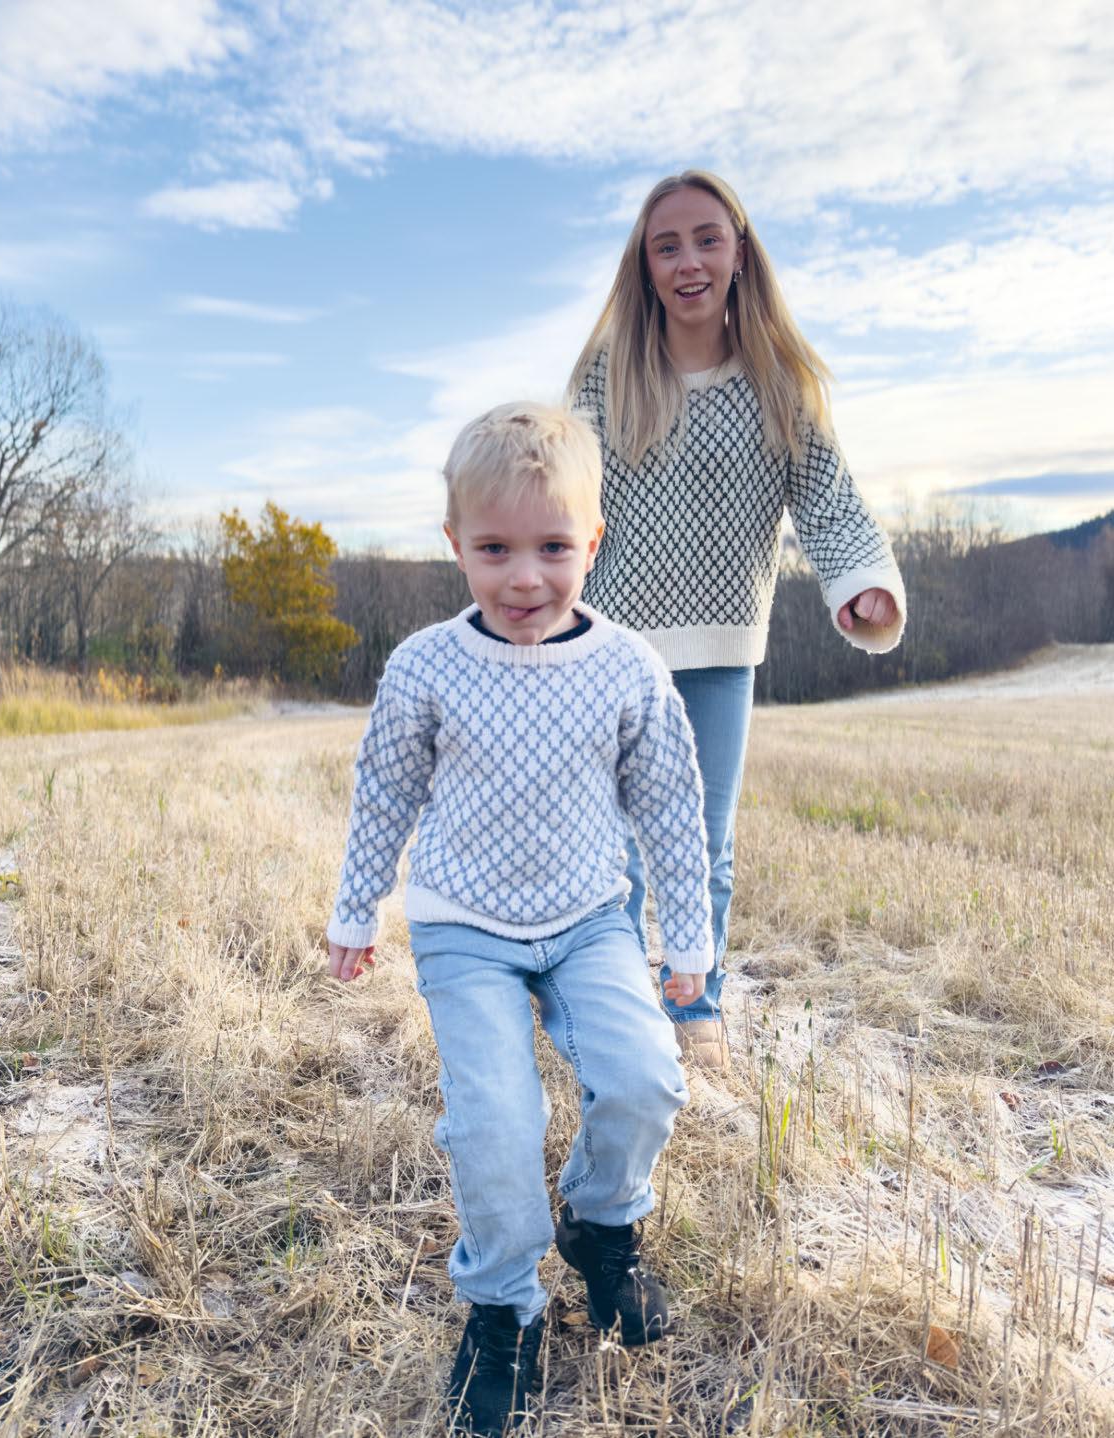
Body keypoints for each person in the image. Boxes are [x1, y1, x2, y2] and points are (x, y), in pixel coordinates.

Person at [327, 402, 714, 1437]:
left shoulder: (627, 668)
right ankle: (503, 1304)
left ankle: (602, 1224)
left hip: (588, 920)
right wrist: (357, 908)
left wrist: (687, 938)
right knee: (495, 1123)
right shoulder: (425, 666)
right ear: (455, 543)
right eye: (495, 549)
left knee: (645, 1078)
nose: (525, 578)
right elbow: (384, 793)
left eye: (553, 547)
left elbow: (671, 808)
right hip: (464, 927)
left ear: (593, 541)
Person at [568, 170, 906, 1070]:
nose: (688, 261)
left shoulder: (778, 382)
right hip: (613, 647)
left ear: (740, 252)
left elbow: (827, 497)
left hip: (722, 647)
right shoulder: (607, 374)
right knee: (612, 846)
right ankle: (609, 1010)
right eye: (666, 246)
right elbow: (562, 490)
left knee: (702, 844)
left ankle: (696, 1007)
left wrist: (861, 582)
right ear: (645, 266)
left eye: (706, 239)